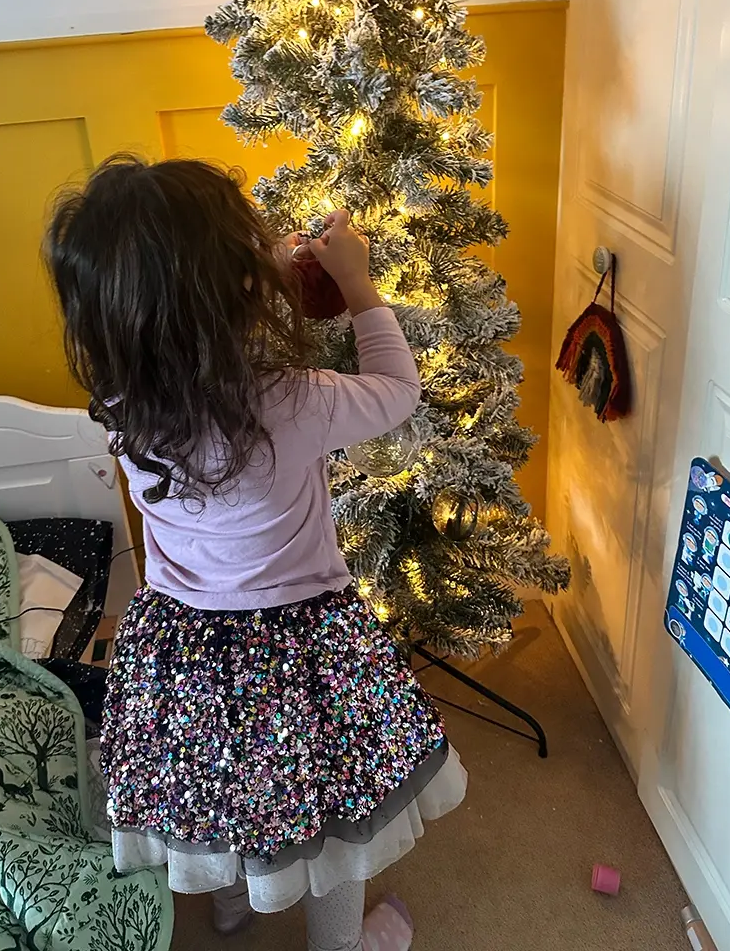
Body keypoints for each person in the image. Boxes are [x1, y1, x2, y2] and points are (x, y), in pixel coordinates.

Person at [45, 155, 467, 951]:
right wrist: (358, 285)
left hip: (184, 651)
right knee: (330, 814)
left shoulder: (121, 402)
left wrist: (254, 269)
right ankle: (340, 943)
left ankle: (234, 908)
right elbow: (399, 388)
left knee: (224, 790)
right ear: (234, 287)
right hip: (303, 647)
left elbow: (175, 313)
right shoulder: (297, 397)